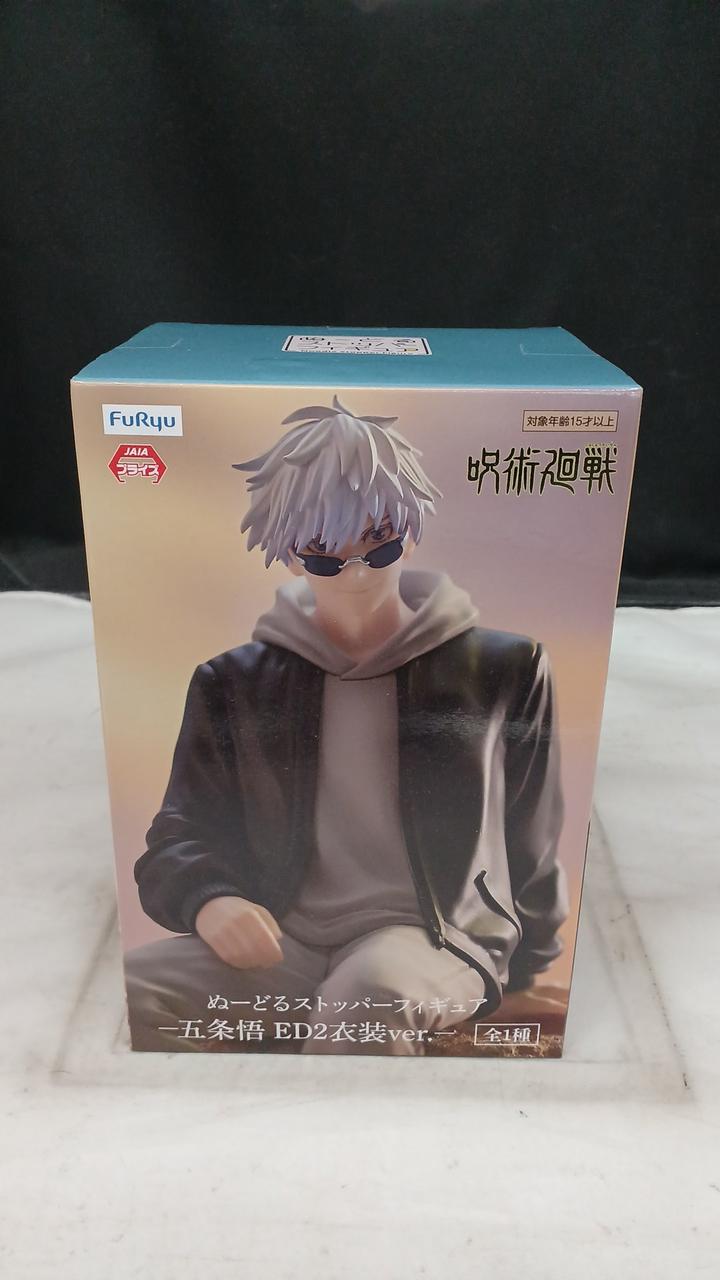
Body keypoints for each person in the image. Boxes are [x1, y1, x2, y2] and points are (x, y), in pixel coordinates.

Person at [126, 397, 567, 1054]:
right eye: (326, 557)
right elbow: (178, 832)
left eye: (379, 542)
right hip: (284, 937)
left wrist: (529, 967)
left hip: (440, 937)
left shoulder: (504, 668)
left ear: (410, 532)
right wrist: (209, 900)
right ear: (288, 554)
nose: (356, 572)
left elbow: (532, 832)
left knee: (370, 996)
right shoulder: (233, 683)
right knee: (134, 989)